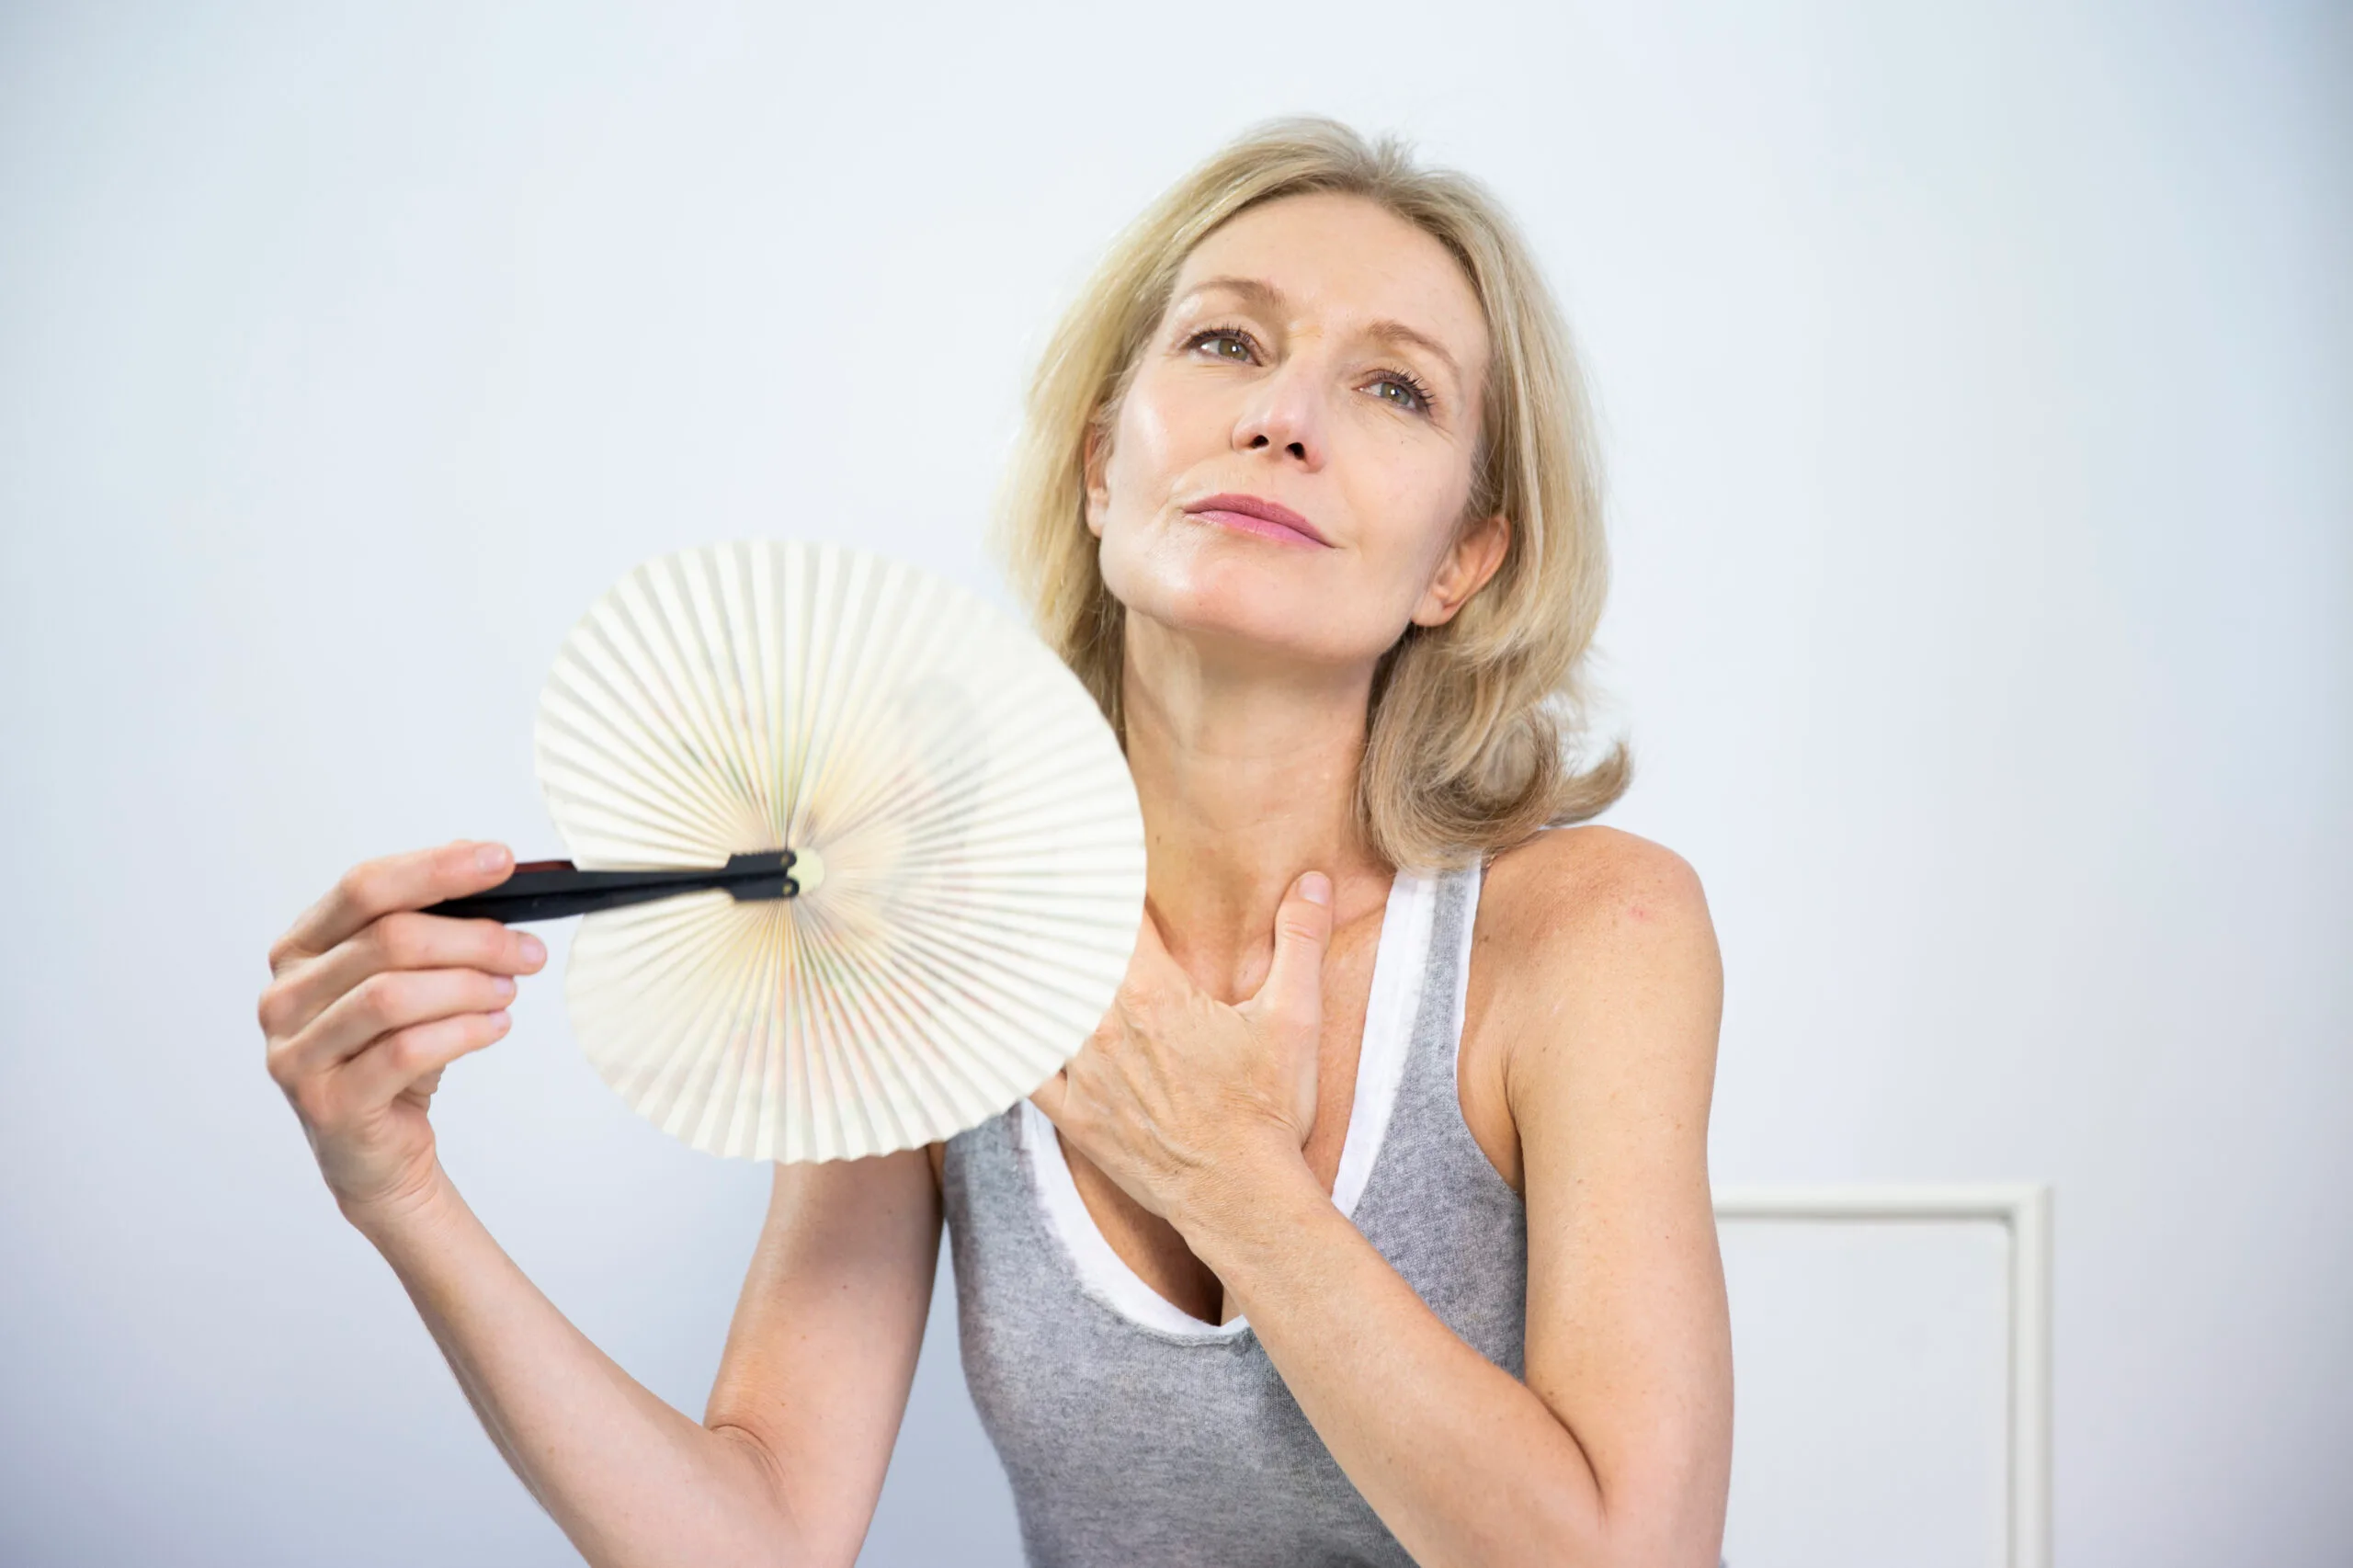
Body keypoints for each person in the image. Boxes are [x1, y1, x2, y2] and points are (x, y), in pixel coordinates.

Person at [258, 117, 1733, 1567]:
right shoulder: (913, 934)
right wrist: (407, 1198)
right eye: (1226, 341)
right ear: (1102, 467)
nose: (1285, 416)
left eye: (1394, 387)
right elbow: (761, 1539)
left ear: (1463, 561)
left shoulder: (1591, 935)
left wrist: (1231, 1179)